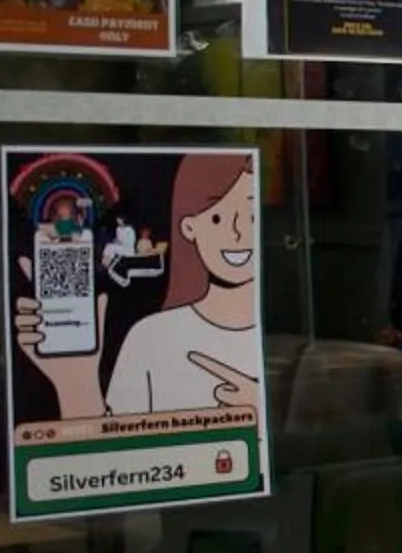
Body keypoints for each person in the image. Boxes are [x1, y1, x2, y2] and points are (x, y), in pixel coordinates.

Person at [17, 152, 263, 419]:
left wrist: (260, 410)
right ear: (190, 226)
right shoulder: (150, 337)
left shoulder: (283, 333)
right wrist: (76, 385)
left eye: (251, 215)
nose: (239, 231)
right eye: (218, 218)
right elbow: (115, 452)